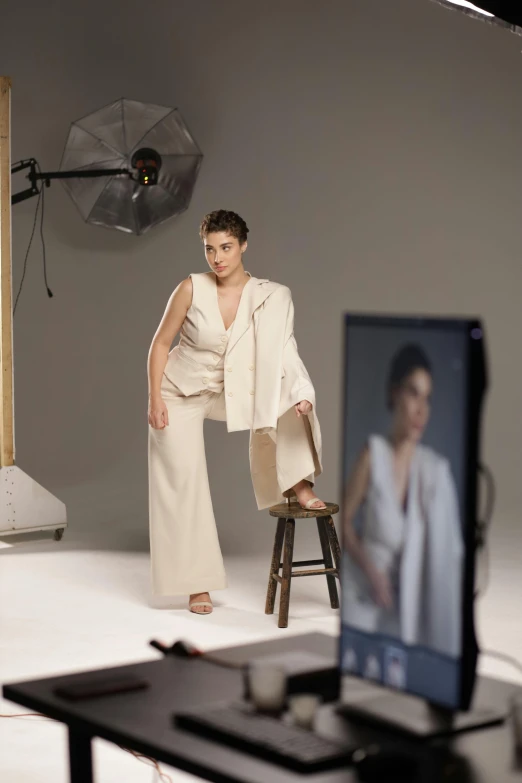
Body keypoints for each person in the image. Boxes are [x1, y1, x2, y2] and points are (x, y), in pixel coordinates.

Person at [147, 210, 325, 615]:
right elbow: (160, 344)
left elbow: (284, 350)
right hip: (182, 392)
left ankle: (298, 482)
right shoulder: (190, 288)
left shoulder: (271, 295)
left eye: (226, 247)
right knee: (183, 482)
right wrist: (155, 399)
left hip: (234, 392)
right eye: (210, 249)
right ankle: (197, 586)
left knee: (290, 395)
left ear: (243, 245)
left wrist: (301, 391)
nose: (217, 258)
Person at [341, 344, 464, 658]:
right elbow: (341, 522)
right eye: (413, 393)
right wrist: (371, 571)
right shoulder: (374, 454)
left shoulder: (431, 471)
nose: (421, 409)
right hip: (365, 590)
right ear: (395, 393)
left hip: (403, 601)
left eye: (428, 398)